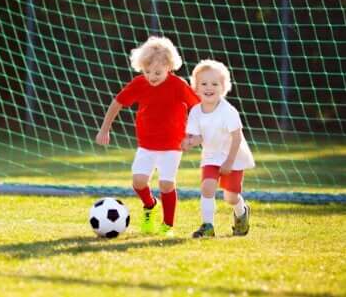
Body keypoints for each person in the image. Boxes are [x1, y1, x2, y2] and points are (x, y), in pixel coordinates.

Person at [95, 36, 200, 237]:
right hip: (146, 144)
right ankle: (150, 205)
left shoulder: (178, 85)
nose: (152, 76)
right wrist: (104, 129)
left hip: (172, 144)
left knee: (166, 184)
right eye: (147, 71)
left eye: (157, 72)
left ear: (170, 67)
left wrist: (195, 134)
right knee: (138, 181)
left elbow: (197, 108)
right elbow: (117, 103)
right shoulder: (139, 84)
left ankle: (167, 225)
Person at [182, 59, 255, 238]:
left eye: (215, 83)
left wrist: (229, 161)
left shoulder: (228, 111)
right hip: (211, 156)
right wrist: (189, 142)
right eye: (204, 83)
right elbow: (199, 136)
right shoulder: (196, 112)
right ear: (196, 88)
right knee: (207, 187)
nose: (209, 87)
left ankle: (241, 211)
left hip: (233, 157)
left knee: (230, 197)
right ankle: (208, 226)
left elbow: (237, 138)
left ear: (223, 87)